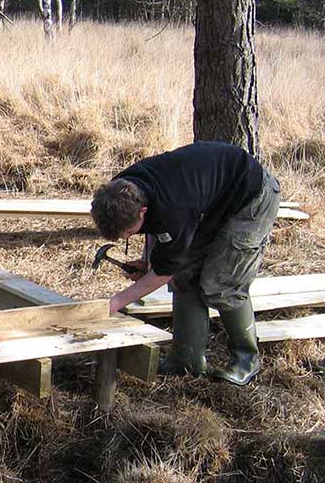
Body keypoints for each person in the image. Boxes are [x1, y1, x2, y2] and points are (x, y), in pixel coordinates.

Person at [90, 141, 281, 386]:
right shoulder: (120, 190)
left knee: (223, 283)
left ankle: (246, 361)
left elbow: (165, 270)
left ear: (142, 211)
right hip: (211, 200)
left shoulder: (173, 208)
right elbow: (157, 231)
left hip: (251, 198)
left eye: (128, 232)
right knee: (185, 276)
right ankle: (187, 359)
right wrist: (149, 260)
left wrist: (115, 303)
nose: (126, 237)